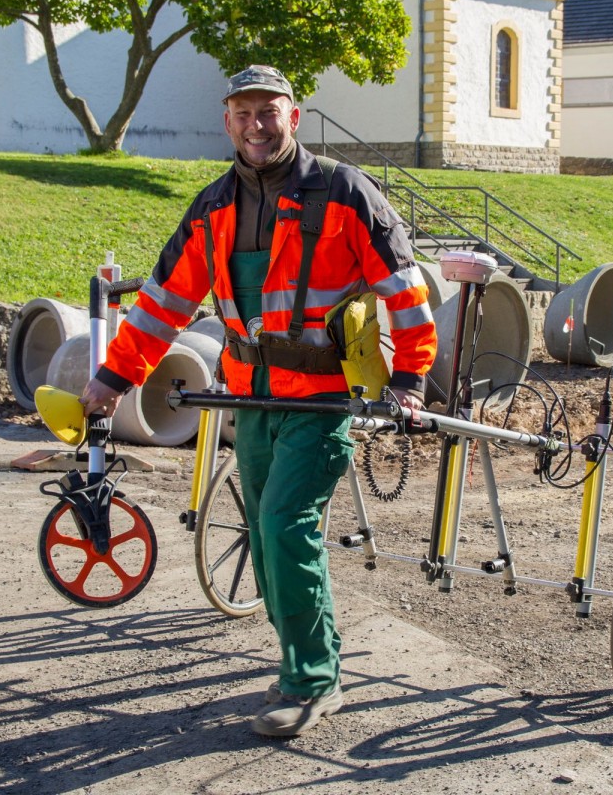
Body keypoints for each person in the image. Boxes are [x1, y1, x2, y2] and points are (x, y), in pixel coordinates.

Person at [80, 64, 437, 737]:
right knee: (267, 541)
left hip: (322, 401)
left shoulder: (344, 192)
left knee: (282, 526)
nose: (256, 125)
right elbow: (162, 305)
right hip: (250, 401)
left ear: (293, 117)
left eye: (268, 111)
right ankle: (304, 655)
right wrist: (114, 379)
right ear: (228, 123)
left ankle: (312, 680)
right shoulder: (212, 207)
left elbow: (405, 289)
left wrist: (411, 380)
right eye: (243, 113)